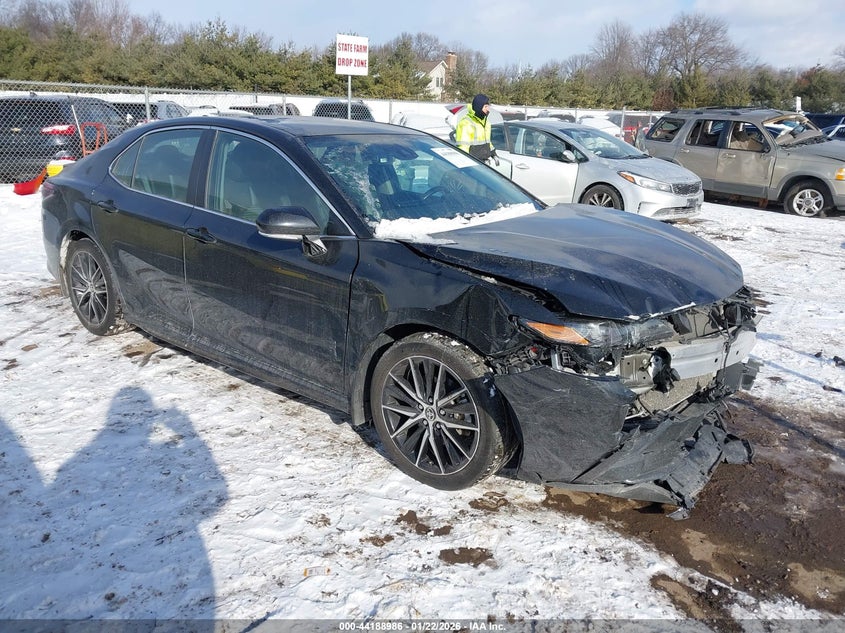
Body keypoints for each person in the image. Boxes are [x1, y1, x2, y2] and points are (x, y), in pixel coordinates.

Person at [455, 93, 498, 164]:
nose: (488, 109)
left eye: (488, 106)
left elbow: (487, 142)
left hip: (485, 163)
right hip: (473, 164)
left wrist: (494, 154)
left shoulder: (486, 122)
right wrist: (466, 164)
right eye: (485, 106)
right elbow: (463, 147)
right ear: (479, 107)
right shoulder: (467, 123)